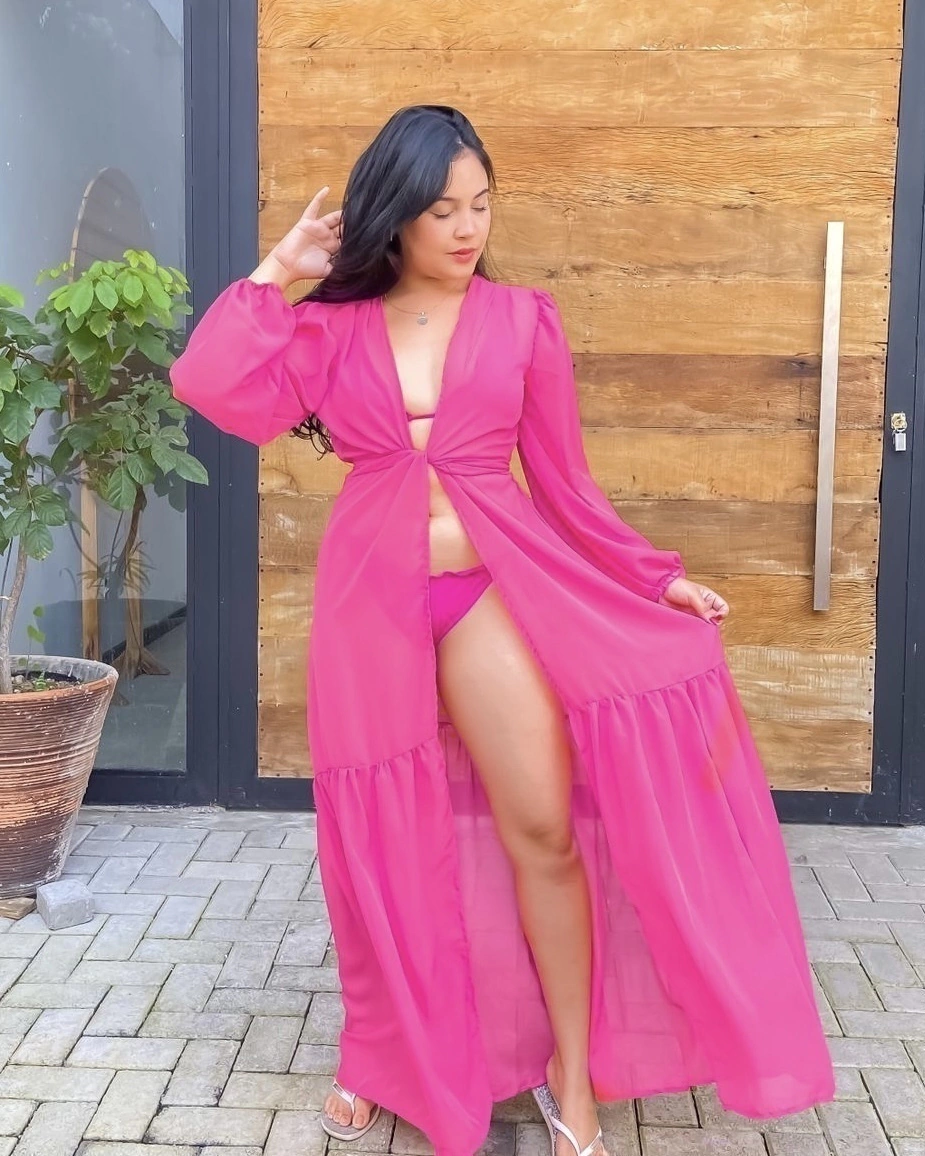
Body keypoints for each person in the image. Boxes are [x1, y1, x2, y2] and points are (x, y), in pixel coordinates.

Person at [169, 105, 835, 1156]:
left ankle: (571, 1071)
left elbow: (566, 486)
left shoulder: (523, 320)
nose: (467, 227)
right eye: (442, 209)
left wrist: (655, 578)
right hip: (369, 607)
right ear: (395, 214)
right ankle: (380, 1054)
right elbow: (209, 383)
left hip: (487, 590)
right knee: (381, 847)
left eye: (480, 205)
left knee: (542, 832)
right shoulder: (328, 329)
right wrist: (277, 269)